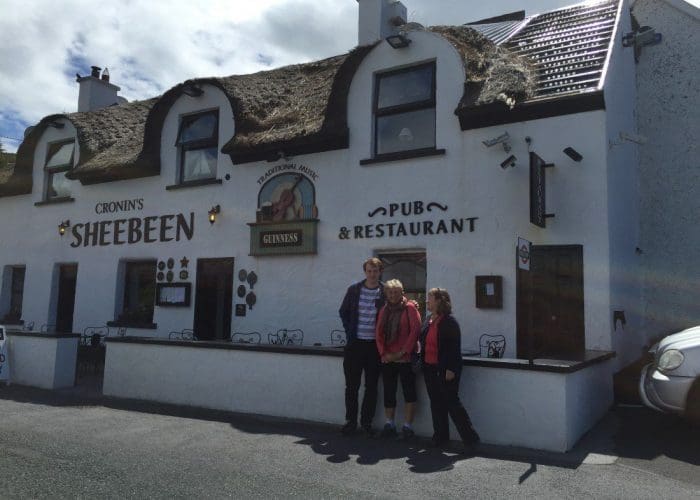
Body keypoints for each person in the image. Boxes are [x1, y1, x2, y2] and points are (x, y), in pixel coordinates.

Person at [420, 287, 480, 453]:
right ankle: (440, 436)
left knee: (452, 403)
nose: (427, 301)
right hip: (430, 368)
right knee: (436, 403)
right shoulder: (428, 321)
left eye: (430, 298)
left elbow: (454, 348)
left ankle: (471, 439)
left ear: (439, 301)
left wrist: (451, 369)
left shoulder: (449, 322)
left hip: (445, 369)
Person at [338, 257, 386, 436]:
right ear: (365, 272)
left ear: (380, 272)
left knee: (371, 387)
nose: (372, 274)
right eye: (369, 271)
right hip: (355, 345)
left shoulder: (385, 291)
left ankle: (366, 423)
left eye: (375, 271)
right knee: (351, 386)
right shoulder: (354, 290)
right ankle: (350, 421)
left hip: (375, 346)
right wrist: (349, 330)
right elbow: (343, 312)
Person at [375, 279, 421, 439]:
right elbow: (378, 332)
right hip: (388, 359)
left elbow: (415, 331)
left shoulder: (410, 308)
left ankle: (407, 427)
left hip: (406, 358)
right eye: (390, 292)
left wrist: (402, 352)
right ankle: (390, 424)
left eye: (396, 292)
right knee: (389, 391)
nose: (393, 295)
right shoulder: (384, 310)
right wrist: (383, 353)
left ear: (402, 292)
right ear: (386, 294)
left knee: (409, 392)